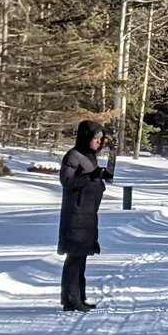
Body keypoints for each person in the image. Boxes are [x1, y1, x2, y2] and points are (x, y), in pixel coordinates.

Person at [57, 119, 114, 312]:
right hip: (75, 215)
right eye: (96, 138)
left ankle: (78, 297)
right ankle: (71, 300)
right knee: (74, 257)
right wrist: (91, 176)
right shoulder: (73, 155)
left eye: (101, 139)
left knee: (81, 257)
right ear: (86, 138)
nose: (99, 142)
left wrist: (100, 176)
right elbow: (67, 180)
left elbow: (90, 178)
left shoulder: (89, 157)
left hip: (87, 215)